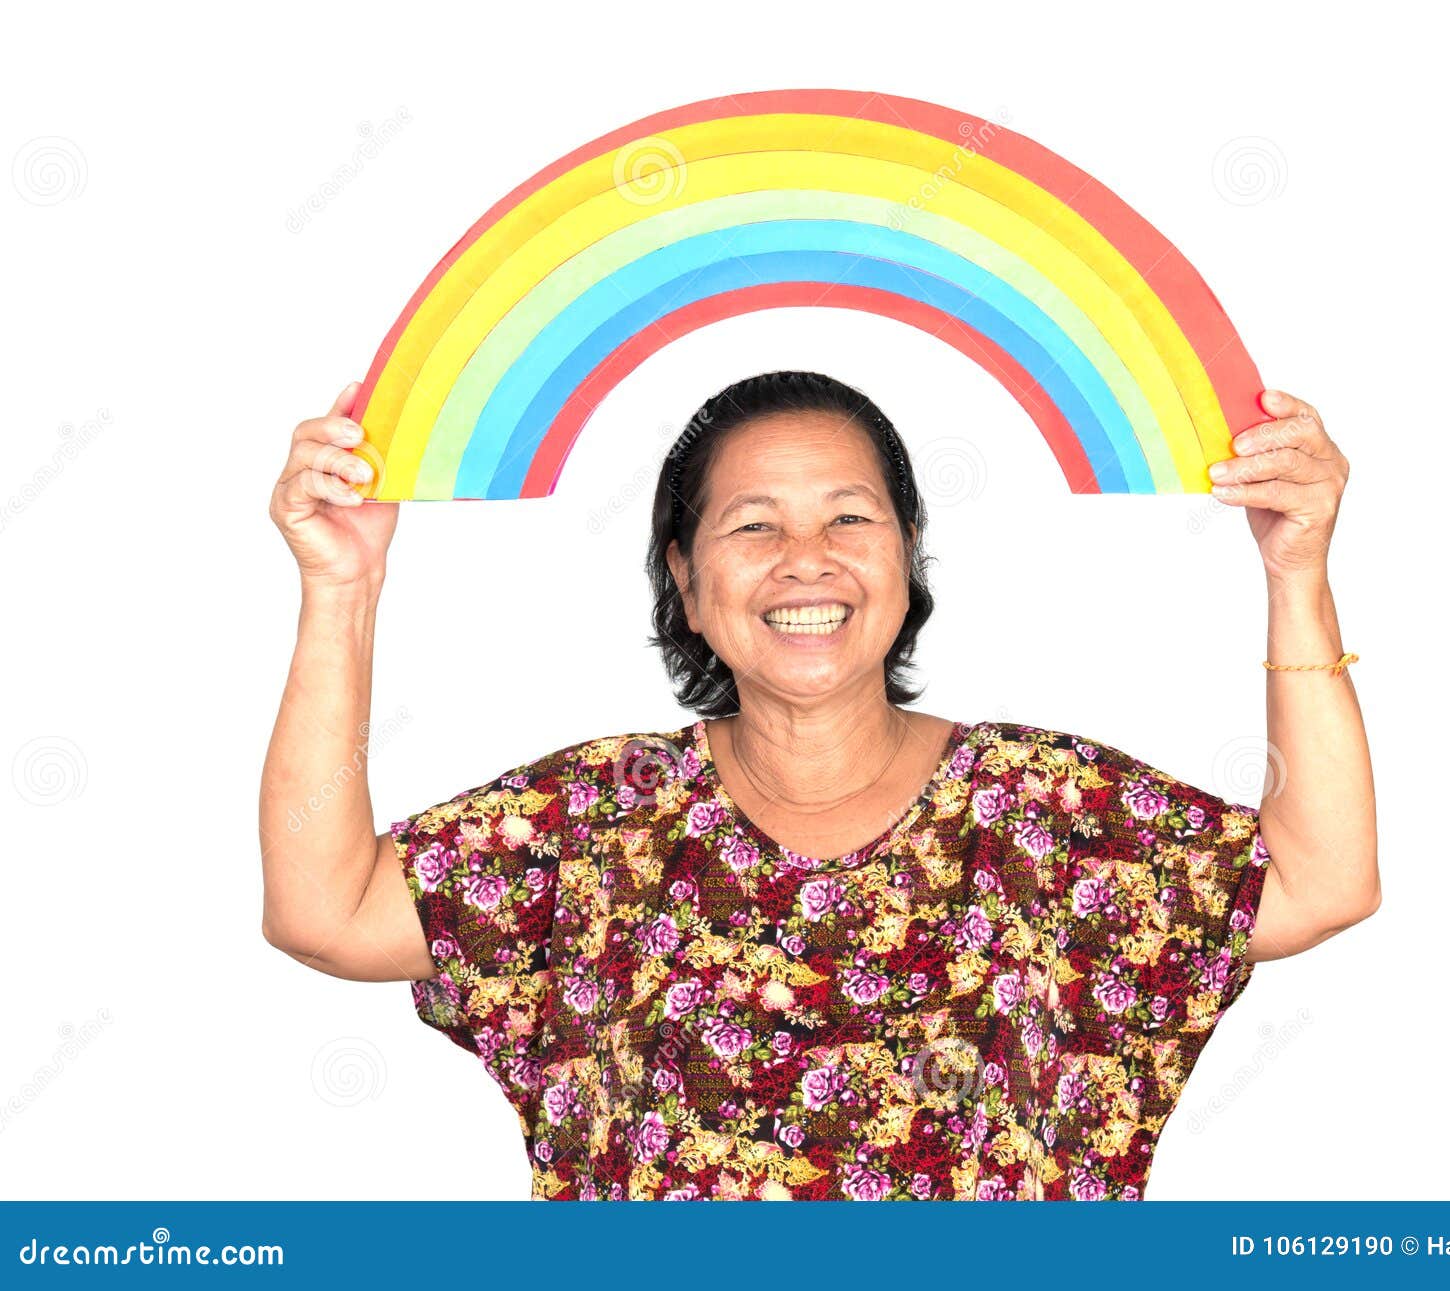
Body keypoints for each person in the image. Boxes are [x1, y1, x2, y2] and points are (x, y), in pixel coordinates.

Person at [261, 370, 1377, 1201]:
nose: (807, 557)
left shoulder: (1043, 811)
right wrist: (342, 586)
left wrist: (1294, 568)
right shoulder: (594, 823)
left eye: (849, 516)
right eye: (753, 526)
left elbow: (1322, 877)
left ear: (905, 561)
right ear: (686, 581)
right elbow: (329, 911)